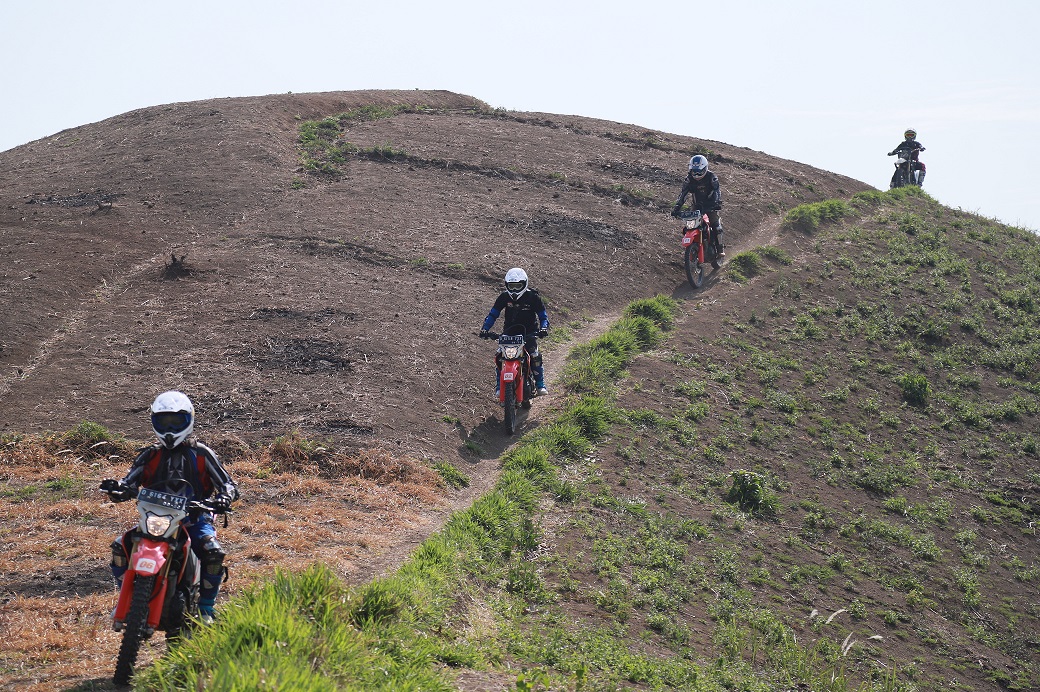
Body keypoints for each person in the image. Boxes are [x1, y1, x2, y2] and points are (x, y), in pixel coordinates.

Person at [102, 390, 239, 624]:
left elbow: (228, 484)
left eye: (176, 421)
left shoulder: (202, 453)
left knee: (213, 552)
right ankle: (126, 598)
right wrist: (118, 489)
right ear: (154, 421)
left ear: (189, 420)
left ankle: (206, 608)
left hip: (195, 519)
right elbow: (129, 481)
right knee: (120, 547)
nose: (170, 428)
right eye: (164, 421)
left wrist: (224, 498)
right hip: (155, 519)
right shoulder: (149, 455)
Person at [479, 267, 550, 396]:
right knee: (500, 356)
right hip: (509, 332)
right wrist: (485, 329)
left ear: (525, 284)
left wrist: (543, 328)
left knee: (534, 355)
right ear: (506, 285)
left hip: (529, 332)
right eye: (512, 286)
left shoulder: (533, 297)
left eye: (518, 286)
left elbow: (543, 316)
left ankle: (540, 384)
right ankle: (500, 386)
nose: (515, 290)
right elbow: (493, 315)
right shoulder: (503, 297)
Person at [671, 154, 724, 258]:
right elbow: (683, 194)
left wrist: (717, 203)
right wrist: (677, 207)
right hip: (697, 205)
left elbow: (717, 191)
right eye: (694, 171)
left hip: (711, 204)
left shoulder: (712, 177)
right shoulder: (689, 179)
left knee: (716, 226)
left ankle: (720, 249)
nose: (696, 174)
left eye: (699, 171)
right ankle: (693, 246)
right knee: (688, 227)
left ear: (705, 168)